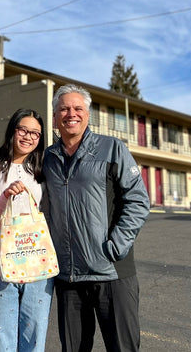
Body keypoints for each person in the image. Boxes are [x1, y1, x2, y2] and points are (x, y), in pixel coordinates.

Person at [43, 84, 150, 352]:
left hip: (111, 272)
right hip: (68, 276)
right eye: (64, 109)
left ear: (87, 115)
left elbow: (138, 200)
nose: (71, 114)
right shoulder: (47, 158)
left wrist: (117, 246)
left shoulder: (112, 148)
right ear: (55, 117)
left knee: (122, 347)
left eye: (78, 108)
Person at [0, 108, 54, 352]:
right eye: (23, 129)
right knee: (3, 335)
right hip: (3, 257)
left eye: (35, 133)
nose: (28, 136)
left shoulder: (44, 167)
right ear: (12, 130)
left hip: (38, 258)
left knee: (34, 332)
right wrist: (6, 194)